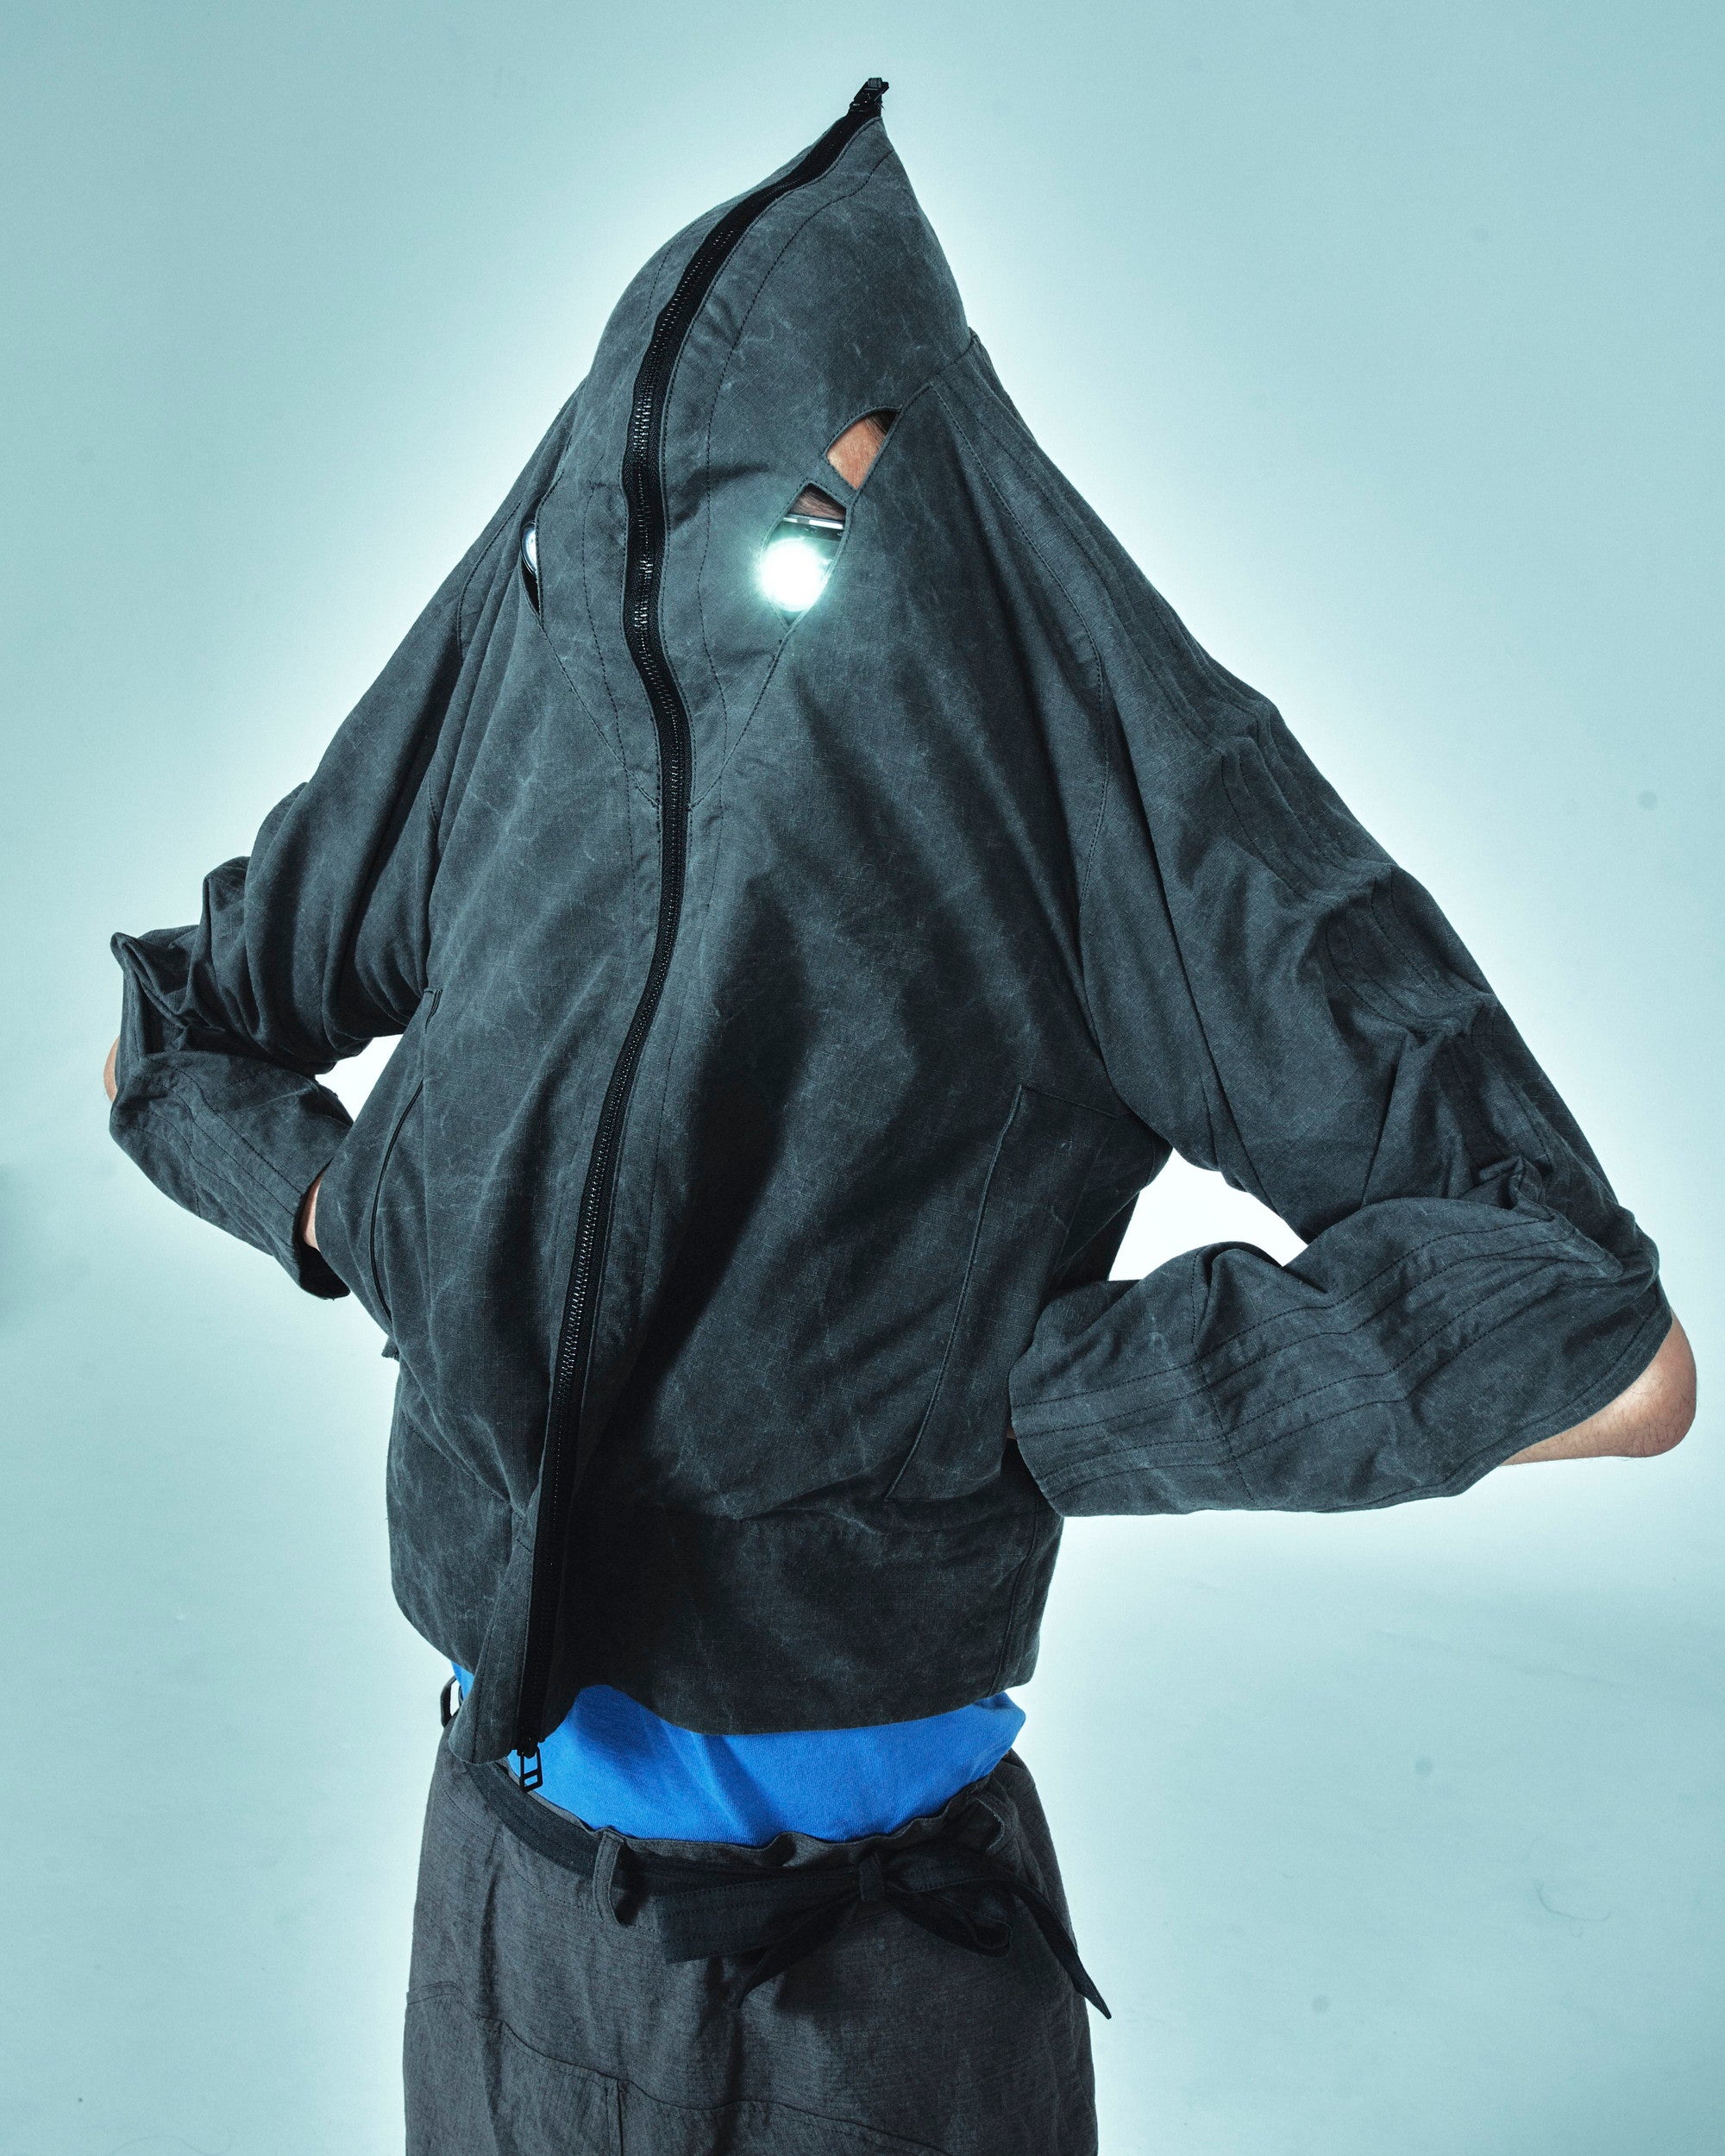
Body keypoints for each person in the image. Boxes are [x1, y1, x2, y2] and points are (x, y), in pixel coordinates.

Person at [104, 78, 1694, 2156]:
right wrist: (351, 1202)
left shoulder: (1076, 745)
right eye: (649, 526)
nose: (721, 589)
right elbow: (175, 1036)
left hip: (869, 1995)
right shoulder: (542, 674)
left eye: (811, 514)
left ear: (921, 474)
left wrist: (1022, 1406)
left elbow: (1599, 1341)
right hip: (501, 1921)